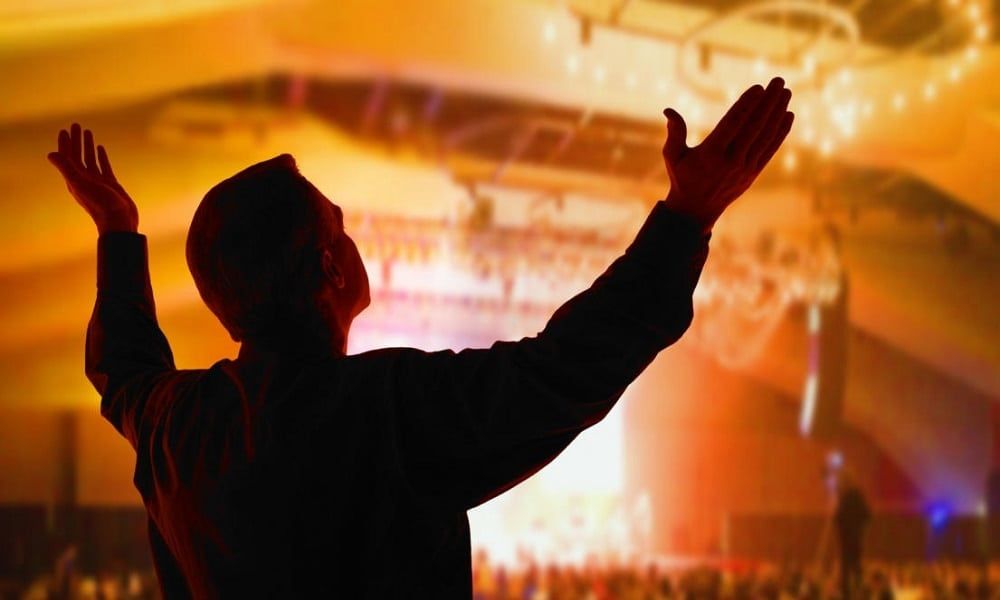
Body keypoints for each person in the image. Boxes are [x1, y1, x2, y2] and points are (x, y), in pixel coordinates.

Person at [47, 78, 793, 597]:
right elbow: (565, 370)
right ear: (330, 269)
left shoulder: (178, 426)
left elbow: (123, 369)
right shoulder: (386, 411)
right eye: (340, 228)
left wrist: (118, 233)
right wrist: (686, 217)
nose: (352, 241)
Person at [834, 473, 871, 600]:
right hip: (855, 539)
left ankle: (848, 594)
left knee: (847, 569)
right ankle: (857, 591)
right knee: (855, 567)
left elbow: (838, 519)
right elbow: (867, 515)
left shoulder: (845, 498)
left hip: (847, 540)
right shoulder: (856, 496)